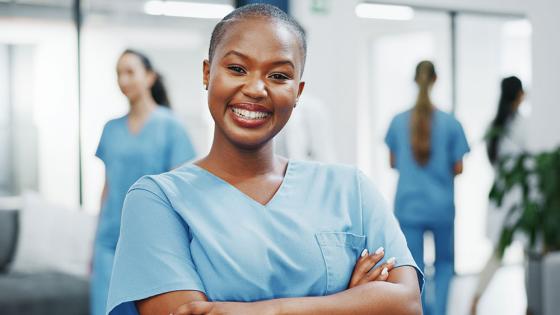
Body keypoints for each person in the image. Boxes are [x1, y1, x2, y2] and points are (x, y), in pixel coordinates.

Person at [107, 4, 423, 315]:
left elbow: (407, 304)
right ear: (207, 73)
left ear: (298, 91)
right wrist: (351, 302)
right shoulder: (158, 200)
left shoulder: (350, 189)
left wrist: (266, 310)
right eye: (237, 69)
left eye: (278, 75)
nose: (256, 89)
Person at [91, 49, 196, 315]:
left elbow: (181, 191)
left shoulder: (171, 126)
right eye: (118, 73)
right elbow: (108, 186)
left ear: (149, 77)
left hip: (152, 241)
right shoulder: (110, 128)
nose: (123, 80)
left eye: (130, 72)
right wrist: (92, 242)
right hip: (109, 240)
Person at [385, 61, 470, 315]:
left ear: (415, 81)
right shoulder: (451, 123)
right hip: (441, 206)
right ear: (435, 80)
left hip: (409, 205)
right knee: (444, 265)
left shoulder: (398, 122)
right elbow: (458, 167)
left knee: (414, 267)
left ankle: (422, 310)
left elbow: (393, 163)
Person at [470, 76, 526, 315]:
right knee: (528, 253)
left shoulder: (493, 127)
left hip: (500, 198)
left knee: (497, 253)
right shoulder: (521, 125)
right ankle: (531, 306)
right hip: (520, 199)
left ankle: (474, 301)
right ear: (520, 95)